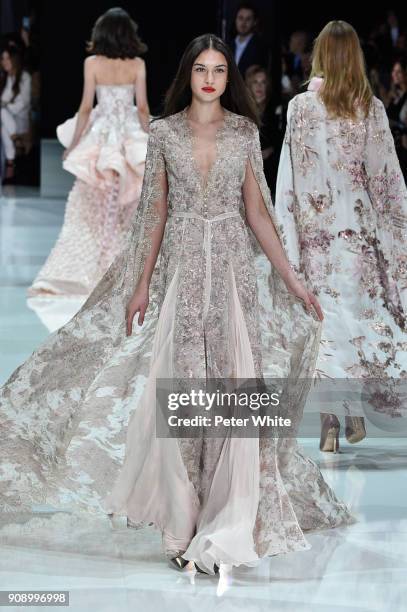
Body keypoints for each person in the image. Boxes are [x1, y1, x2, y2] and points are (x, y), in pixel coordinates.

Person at [0, 32, 355, 576]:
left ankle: (226, 518)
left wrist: (293, 281)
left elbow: (258, 215)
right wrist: (140, 284)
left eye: (218, 70)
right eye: (200, 69)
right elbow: (155, 214)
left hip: (233, 276)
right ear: (187, 75)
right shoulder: (163, 133)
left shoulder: (243, 133)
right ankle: (180, 524)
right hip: (183, 275)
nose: (210, 78)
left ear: (226, 77)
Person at [274, 21, 407, 452]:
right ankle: (350, 415)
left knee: (324, 325)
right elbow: (386, 182)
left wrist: (286, 241)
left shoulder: (299, 108)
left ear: (319, 57)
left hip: (315, 242)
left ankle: (331, 420)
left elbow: (288, 183)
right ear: (355, 57)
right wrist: (397, 242)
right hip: (359, 241)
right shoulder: (370, 110)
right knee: (354, 324)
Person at [27, 8, 150, 297]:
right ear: (128, 35)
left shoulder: (92, 63)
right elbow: (143, 108)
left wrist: (73, 146)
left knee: (93, 201)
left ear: (102, 34)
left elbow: (85, 107)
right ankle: (122, 270)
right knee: (128, 203)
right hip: (129, 136)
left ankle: (91, 267)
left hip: (102, 136)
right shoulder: (137, 64)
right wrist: (151, 138)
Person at [245, 64, 282, 191]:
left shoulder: (277, 111)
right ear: (249, 85)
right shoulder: (240, 110)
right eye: (255, 82)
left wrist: (270, 150)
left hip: (271, 175)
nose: (259, 86)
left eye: (263, 82)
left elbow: (281, 142)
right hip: (246, 173)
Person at [0, 46, 31, 183]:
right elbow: (4, 99)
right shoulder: (8, 78)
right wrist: (5, 105)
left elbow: (24, 103)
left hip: (21, 120)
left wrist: (6, 106)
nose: (4, 61)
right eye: (2, 59)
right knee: (3, 125)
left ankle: (10, 161)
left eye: (7, 58)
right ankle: (12, 154)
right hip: (9, 120)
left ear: (14, 59)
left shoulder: (25, 77)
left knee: (2, 113)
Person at [228, 2, 269, 78]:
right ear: (235, 20)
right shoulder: (227, 45)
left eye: (248, 19)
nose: (243, 23)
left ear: (254, 22)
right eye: (240, 18)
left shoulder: (261, 47)